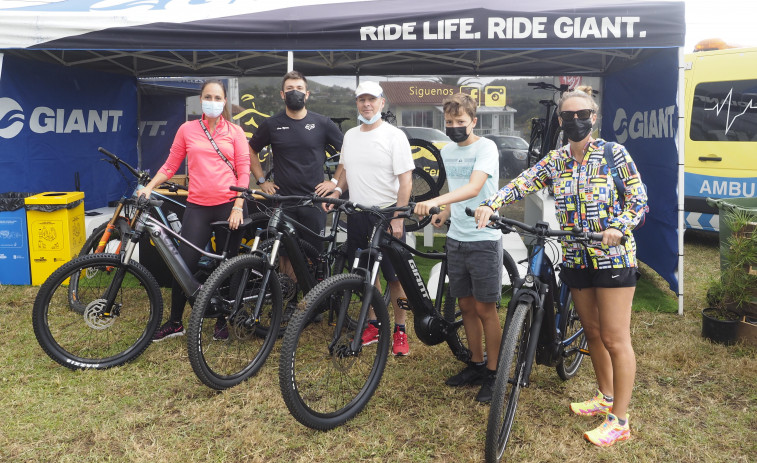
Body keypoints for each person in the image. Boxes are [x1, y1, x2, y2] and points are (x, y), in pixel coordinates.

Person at [474, 86, 647, 446]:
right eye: (568, 116)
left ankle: (620, 420)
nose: (575, 121)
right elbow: (524, 181)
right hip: (575, 257)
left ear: (593, 117)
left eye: (582, 115)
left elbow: (639, 200)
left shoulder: (613, 154)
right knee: (593, 332)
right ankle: (604, 395)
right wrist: (492, 203)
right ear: (560, 120)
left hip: (612, 258)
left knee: (616, 338)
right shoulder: (556, 160)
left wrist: (619, 226)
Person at [141, 79, 251, 342]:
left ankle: (223, 321)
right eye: (208, 97)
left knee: (226, 266)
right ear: (200, 99)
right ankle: (176, 322)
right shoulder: (188, 129)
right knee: (184, 266)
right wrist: (149, 186)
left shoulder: (235, 132)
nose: (212, 102)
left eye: (217, 98)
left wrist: (238, 206)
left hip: (229, 206)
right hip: (198, 206)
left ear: (225, 102)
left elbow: (244, 171)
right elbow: (170, 165)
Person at [414, 93, 502, 402]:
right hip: (457, 238)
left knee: (485, 308)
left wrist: (435, 201)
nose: (454, 127)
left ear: (473, 121)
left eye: (460, 122)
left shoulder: (486, 147)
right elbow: (458, 190)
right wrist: (445, 213)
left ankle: (494, 373)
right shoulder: (448, 151)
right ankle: (475, 363)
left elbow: (476, 187)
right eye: (449, 122)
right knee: (465, 306)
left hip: (484, 238)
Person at [325, 80, 415, 356]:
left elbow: (406, 181)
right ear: (357, 104)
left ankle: (400, 330)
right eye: (362, 100)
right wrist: (337, 188)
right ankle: (375, 324)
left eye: (372, 99)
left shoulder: (394, 136)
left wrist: (398, 217)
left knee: (394, 277)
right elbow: (344, 168)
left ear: (381, 103)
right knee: (365, 274)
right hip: (357, 214)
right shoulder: (351, 135)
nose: (367, 104)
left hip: (385, 215)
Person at [248, 70, 344, 316]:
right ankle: (288, 301)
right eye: (290, 88)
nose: (295, 92)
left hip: (314, 202)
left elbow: (349, 152)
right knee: (286, 254)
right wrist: (261, 181)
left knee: (314, 254)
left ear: (307, 94)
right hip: (284, 201)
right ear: (282, 94)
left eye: (299, 88)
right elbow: (251, 150)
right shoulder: (272, 124)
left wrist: (334, 182)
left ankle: (313, 303)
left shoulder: (322, 123)